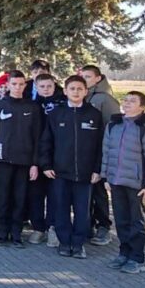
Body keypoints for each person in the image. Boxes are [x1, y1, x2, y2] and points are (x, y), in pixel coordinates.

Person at [39, 75, 103, 259]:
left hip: (85, 174)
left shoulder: (94, 115)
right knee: (61, 210)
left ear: (86, 91)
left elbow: (100, 145)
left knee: (83, 212)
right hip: (60, 173)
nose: (76, 92)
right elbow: (46, 142)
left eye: (79, 89)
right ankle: (65, 243)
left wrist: (97, 169)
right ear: (65, 91)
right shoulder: (56, 114)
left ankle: (78, 244)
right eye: (72, 89)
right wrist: (46, 165)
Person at [101, 91, 145, 274]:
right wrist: (105, 177)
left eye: (132, 101)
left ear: (142, 107)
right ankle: (123, 252)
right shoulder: (113, 125)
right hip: (116, 182)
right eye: (125, 100)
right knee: (121, 219)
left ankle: (136, 258)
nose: (126, 103)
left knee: (137, 221)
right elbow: (107, 153)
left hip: (137, 185)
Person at [0, 70, 42, 248]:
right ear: (8, 85)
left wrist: (35, 163)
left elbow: (37, 137)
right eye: (14, 84)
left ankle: (16, 234)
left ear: (25, 85)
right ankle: (2, 232)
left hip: (24, 162)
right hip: (3, 161)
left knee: (19, 199)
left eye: (21, 84)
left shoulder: (32, 107)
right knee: (3, 198)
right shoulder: (0, 106)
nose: (17, 87)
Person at [81, 64, 120, 247]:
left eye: (88, 76)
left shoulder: (104, 99)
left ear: (98, 78)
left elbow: (113, 126)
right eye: (83, 76)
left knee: (98, 191)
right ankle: (87, 223)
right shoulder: (83, 95)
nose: (85, 79)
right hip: (83, 151)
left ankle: (104, 226)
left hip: (100, 151)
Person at [27, 73, 65, 245]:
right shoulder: (32, 105)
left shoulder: (63, 102)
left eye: (49, 86)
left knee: (55, 195)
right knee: (35, 194)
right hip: (36, 156)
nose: (46, 89)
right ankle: (38, 227)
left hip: (57, 157)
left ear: (54, 85)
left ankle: (53, 227)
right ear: (36, 87)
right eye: (42, 87)